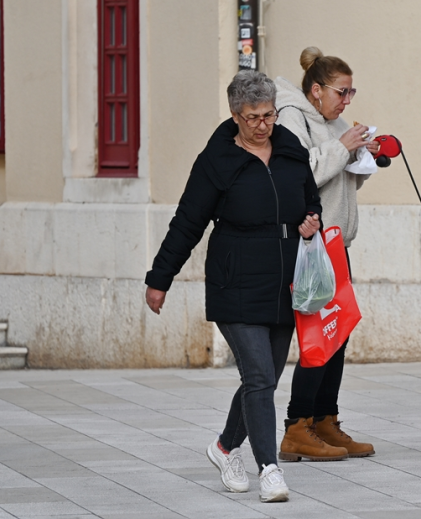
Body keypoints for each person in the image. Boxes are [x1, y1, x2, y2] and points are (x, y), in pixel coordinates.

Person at [144, 70, 322, 503]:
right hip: (235, 279)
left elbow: (310, 196)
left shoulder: (290, 147)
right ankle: (270, 470)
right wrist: (159, 279)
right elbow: (187, 222)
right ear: (235, 115)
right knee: (259, 375)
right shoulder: (216, 161)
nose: (264, 125)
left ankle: (224, 447)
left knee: (265, 378)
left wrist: (311, 219)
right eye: (254, 117)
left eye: (269, 115)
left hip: (286, 281)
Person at [274, 47, 378, 461]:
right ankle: (297, 427)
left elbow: (337, 186)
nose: (348, 100)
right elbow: (299, 175)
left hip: (337, 243)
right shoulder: (290, 118)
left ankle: (325, 421)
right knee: (320, 338)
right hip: (309, 246)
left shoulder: (332, 122)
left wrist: (364, 156)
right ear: (316, 90)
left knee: (340, 333)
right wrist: (342, 147)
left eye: (352, 92)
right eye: (342, 91)